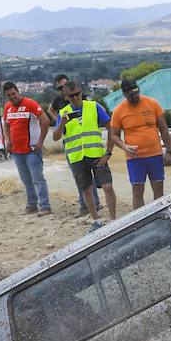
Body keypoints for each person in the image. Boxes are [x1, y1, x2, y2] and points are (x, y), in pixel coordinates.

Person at [52, 80, 117, 234]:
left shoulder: (94, 106)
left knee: (107, 186)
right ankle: (96, 220)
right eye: (71, 95)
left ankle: (114, 219)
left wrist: (108, 152)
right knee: (86, 190)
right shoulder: (63, 113)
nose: (75, 98)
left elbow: (111, 127)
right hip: (77, 157)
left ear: (81, 92)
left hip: (96, 154)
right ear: (66, 96)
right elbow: (55, 137)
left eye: (77, 94)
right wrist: (62, 123)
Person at [110, 78, 171, 210]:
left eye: (136, 92)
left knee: (158, 187)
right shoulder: (119, 111)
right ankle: (139, 221)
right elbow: (114, 136)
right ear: (124, 94)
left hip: (155, 154)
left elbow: (164, 128)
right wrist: (125, 147)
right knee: (137, 190)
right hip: (134, 158)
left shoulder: (152, 103)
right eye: (130, 94)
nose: (134, 96)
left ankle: (160, 215)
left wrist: (169, 150)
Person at [48, 73, 102, 217]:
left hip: (90, 145)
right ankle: (85, 206)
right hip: (73, 146)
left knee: (93, 179)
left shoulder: (83, 99)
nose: (64, 89)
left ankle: (95, 204)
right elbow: (51, 111)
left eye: (65, 85)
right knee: (81, 179)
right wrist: (59, 122)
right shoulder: (58, 101)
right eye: (61, 87)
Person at [2, 81, 52, 216]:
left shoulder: (30, 104)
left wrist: (40, 142)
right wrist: (8, 142)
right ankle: (31, 205)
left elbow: (45, 121)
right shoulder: (8, 107)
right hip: (17, 151)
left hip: (31, 150)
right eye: (9, 96)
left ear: (18, 91)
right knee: (26, 179)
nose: (13, 97)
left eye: (14, 94)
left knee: (38, 179)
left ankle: (45, 206)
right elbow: (6, 126)